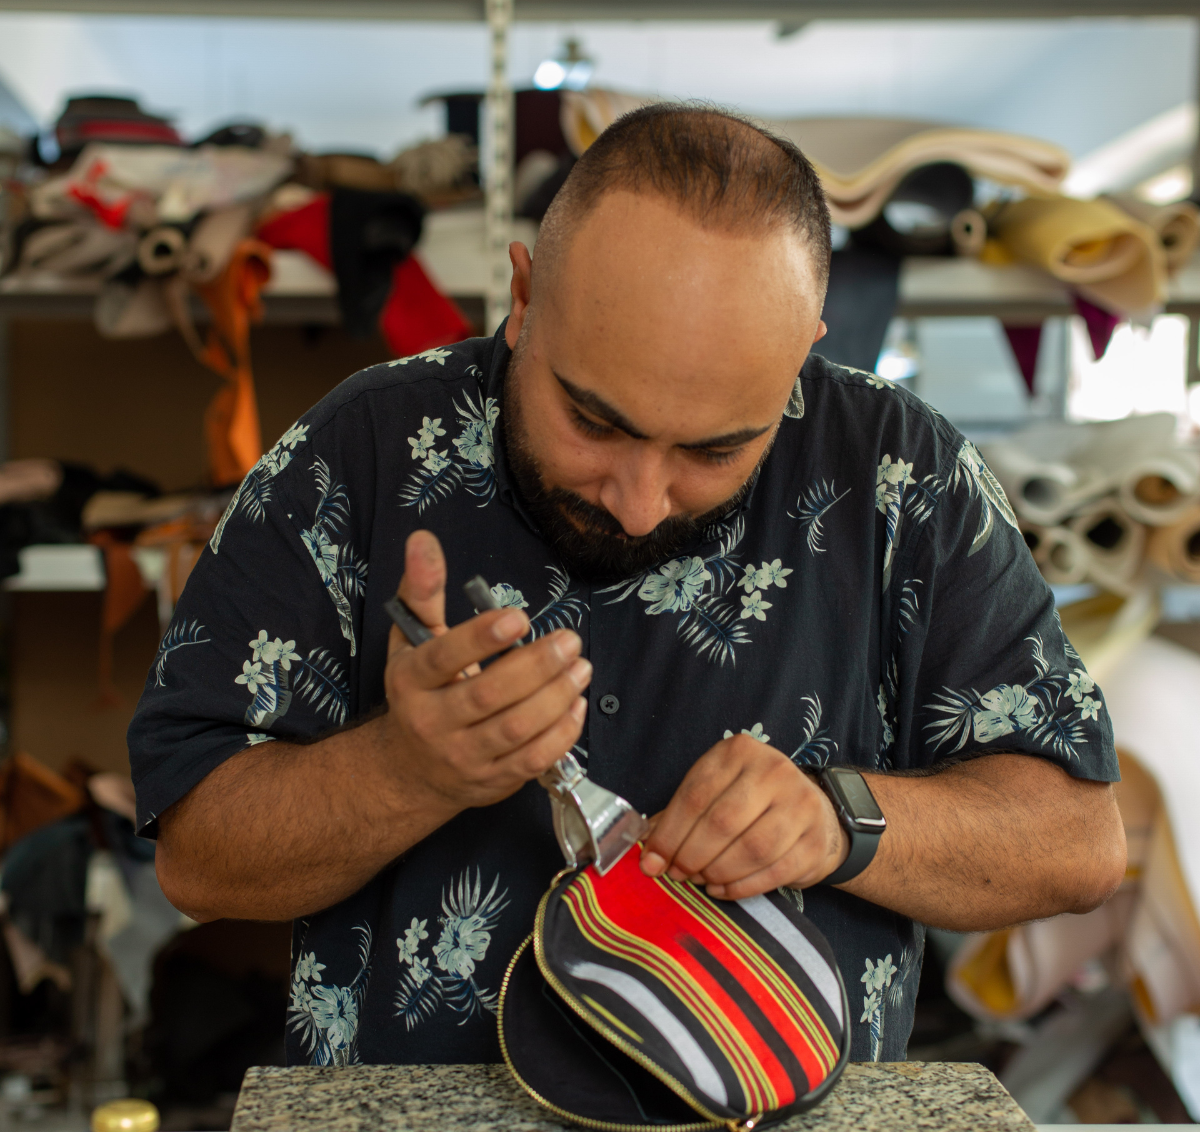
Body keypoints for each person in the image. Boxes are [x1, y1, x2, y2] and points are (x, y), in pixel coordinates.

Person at [129, 105, 1125, 1067]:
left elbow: (1076, 844)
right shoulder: (363, 452)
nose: (641, 503)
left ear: (800, 357)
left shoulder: (896, 472)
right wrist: (406, 770)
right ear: (522, 299)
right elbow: (197, 858)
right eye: (596, 423)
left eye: (717, 448)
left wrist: (841, 819)